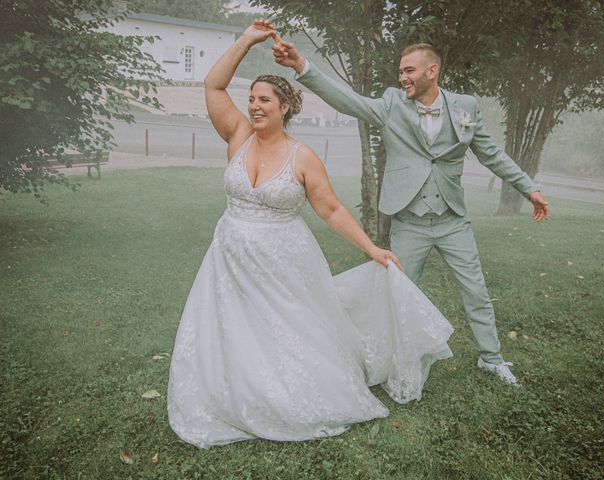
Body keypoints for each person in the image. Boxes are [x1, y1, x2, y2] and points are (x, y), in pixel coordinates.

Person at [167, 20, 454, 448]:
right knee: (233, 327)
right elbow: (213, 87)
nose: (255, 107)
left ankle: (287, 391)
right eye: (251, 100)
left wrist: (372, 248)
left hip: (282, 260)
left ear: (285, 108)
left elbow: (332, 209)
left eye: (264, 100)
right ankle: (236, 386)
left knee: (287, 327)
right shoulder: (237, 137)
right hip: (228, 256)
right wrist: (246, 41)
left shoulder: (302, 157)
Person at [272, 38, 551, 386]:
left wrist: (530, 189)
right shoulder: (391, 104)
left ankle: (491, 359)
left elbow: (491, 154)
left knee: (476, 291)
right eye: (400, 71)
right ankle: (395, 362)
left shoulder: (465, 107)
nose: (402, 77)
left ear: (431, 71)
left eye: (409, 71)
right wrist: (303, 66)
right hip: (409, 222)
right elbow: (349, 102)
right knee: (398, 296)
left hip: (452, 221)